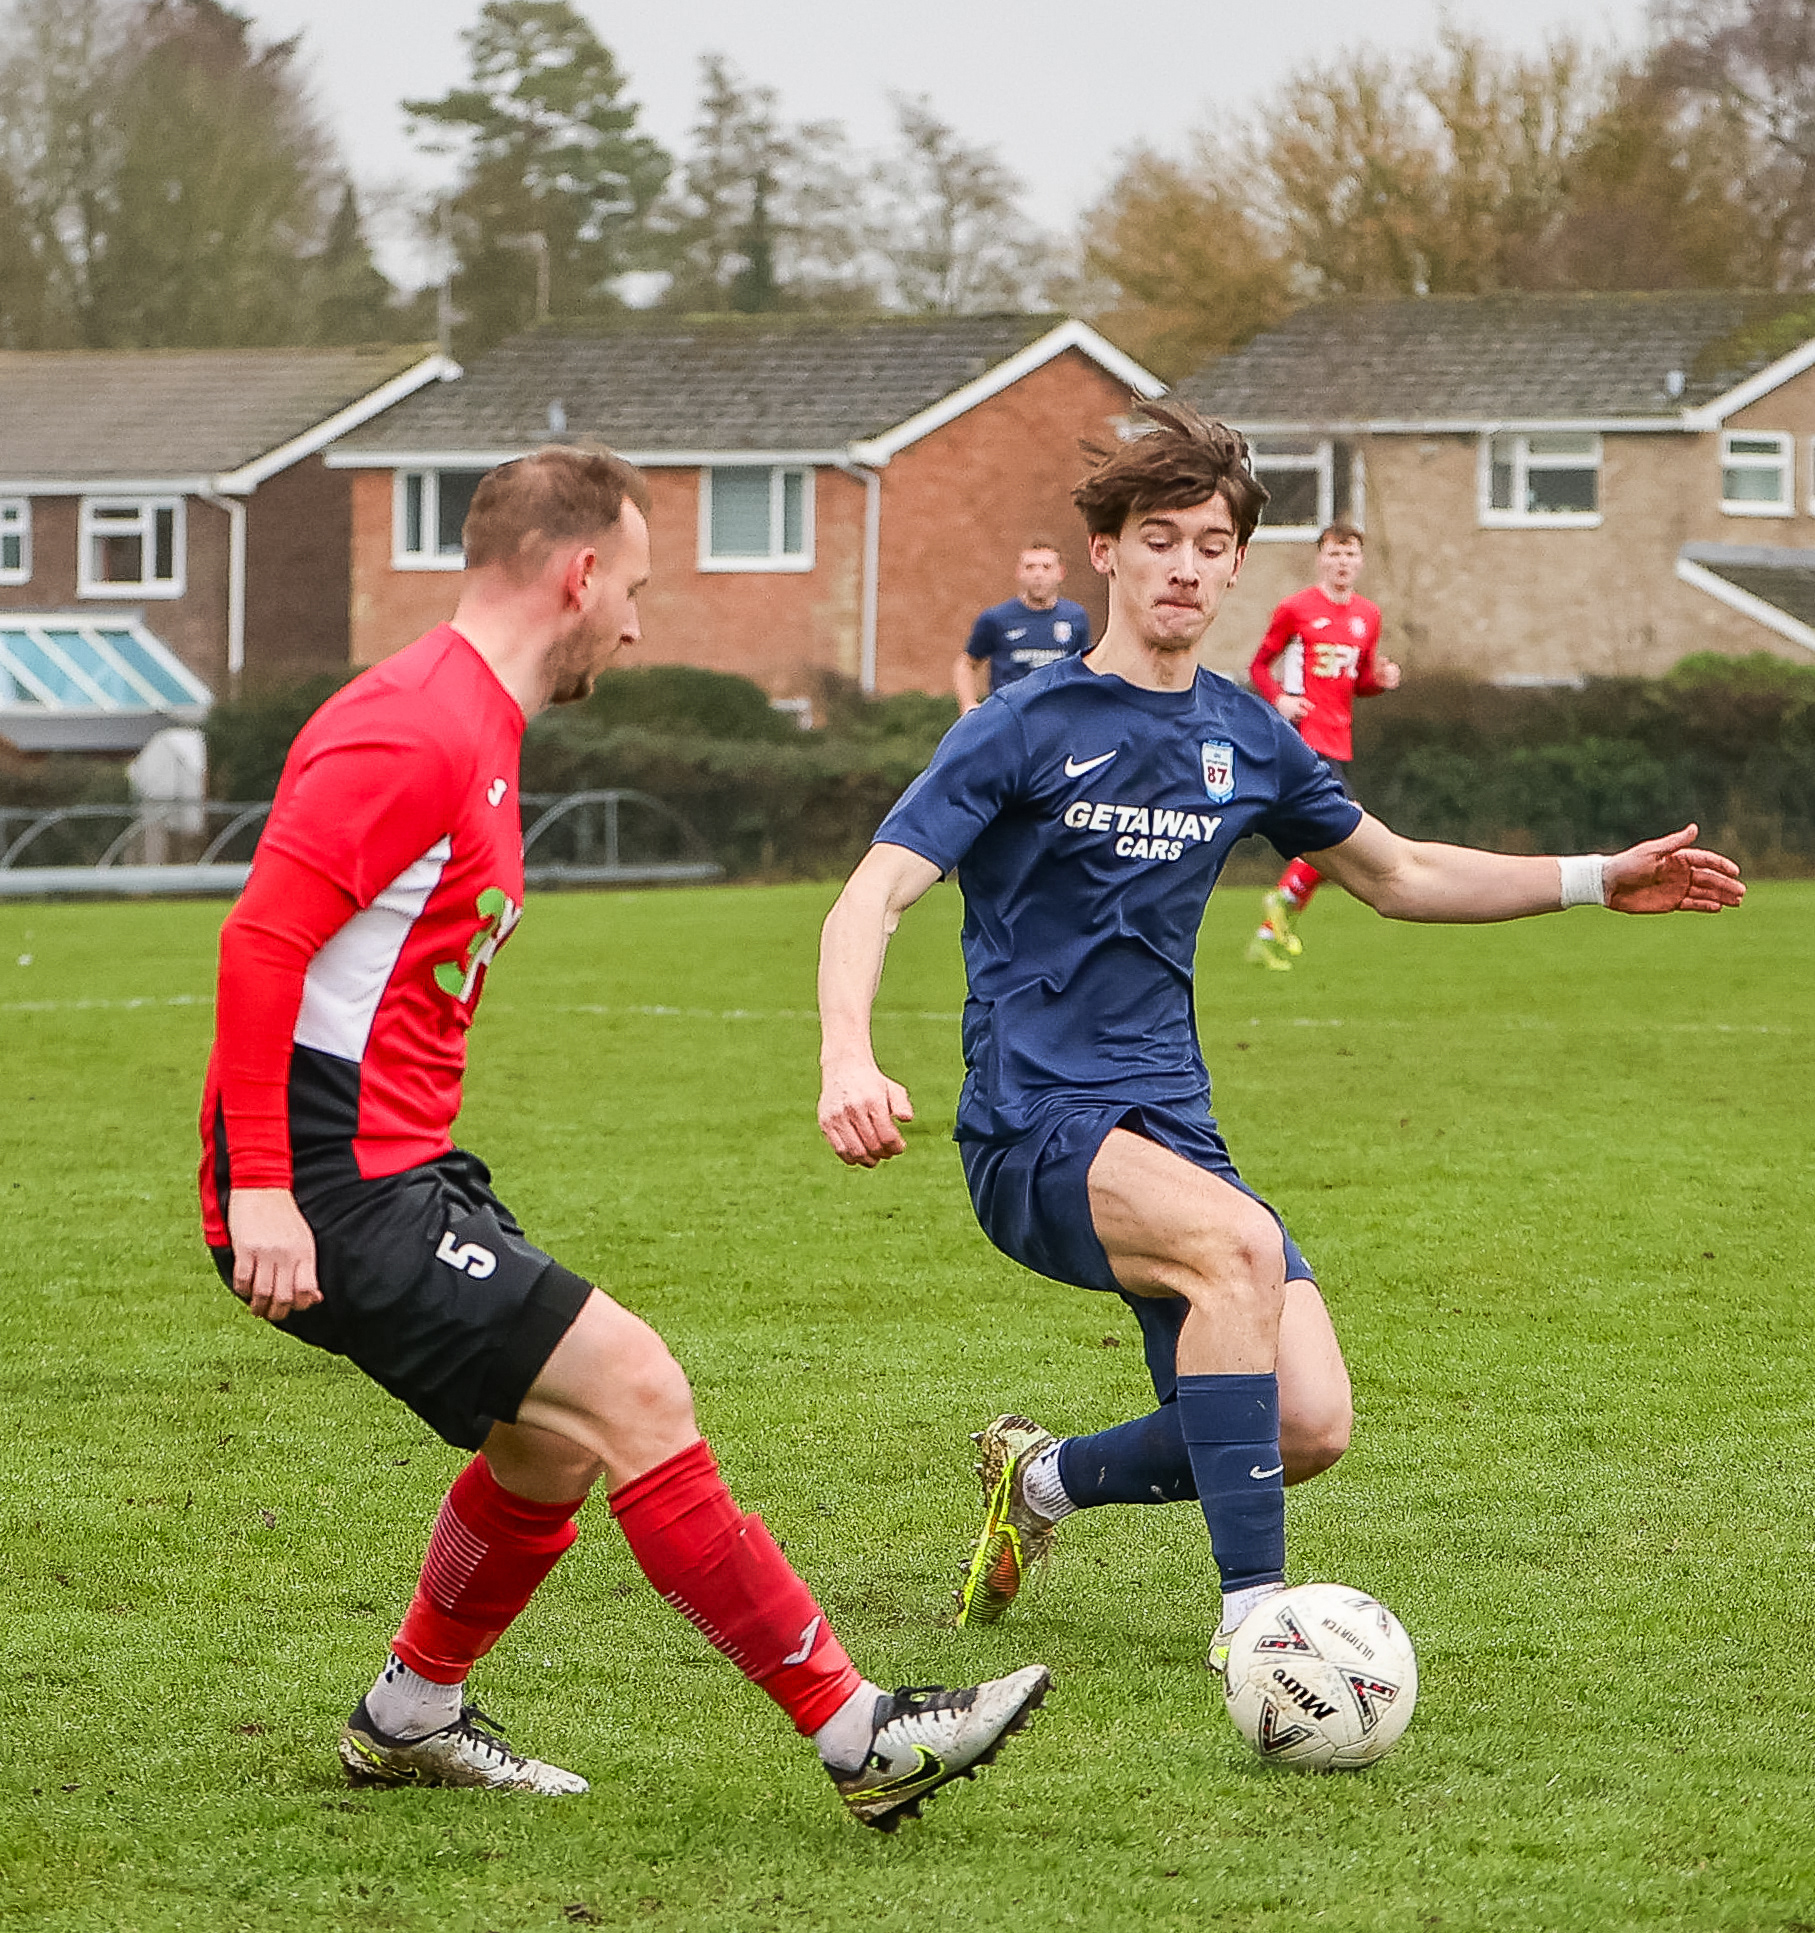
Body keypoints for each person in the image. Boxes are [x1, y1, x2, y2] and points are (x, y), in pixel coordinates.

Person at [814, 401, 1741, 1685]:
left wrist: (1594, 876)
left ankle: (1042, 1479)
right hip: (1034, 1123)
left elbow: (1400, 872)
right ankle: (1259, 1623)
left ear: (1238, 565)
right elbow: (871, 894)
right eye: (1159, 539)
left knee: (1305, 1424)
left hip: (1170, 1123)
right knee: (1240, 1249)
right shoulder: (1021, 725)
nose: (1184, 567)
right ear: (1107, 551)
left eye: (1211, 545)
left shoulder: (1244, 734)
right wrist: (847, 1057)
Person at [199, 445, 1049, 1826]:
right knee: (637, 1387)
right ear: (580, 574)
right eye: (637, 590)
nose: (639, 626)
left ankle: (409, 1715)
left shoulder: (478, 724)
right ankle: (861, 1736)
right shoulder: (411, 724)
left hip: (394, 1168)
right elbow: (259, 944)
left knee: (549, 1446)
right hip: (325, 1181)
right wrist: (262, 1191)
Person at [1245, 523, 1400, 971]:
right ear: (1320, 559)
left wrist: (1381, 681)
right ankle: (1282, 898)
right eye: (1334, 554)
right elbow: (1259, 666)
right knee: (1346, 824)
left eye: (1350, 554)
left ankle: (1268, 935)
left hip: (1338, 737)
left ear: (1361, 562)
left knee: (1330, 836)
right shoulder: (1296, 609)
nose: (1342, 562)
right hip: (1304, 735)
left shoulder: (1368, 615)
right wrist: (1280, 700)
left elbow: (1360, 681)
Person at [955, 542, 1093, 714]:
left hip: (1057, 716)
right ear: (1019, 572)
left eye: (1046, 567)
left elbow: (1083, 669)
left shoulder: (1076, 616)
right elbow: (966, 664)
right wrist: (968, 705)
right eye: (1030, 567)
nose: (1038, 574)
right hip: (1009, 717)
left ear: (1061, 573)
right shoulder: (996, 618)